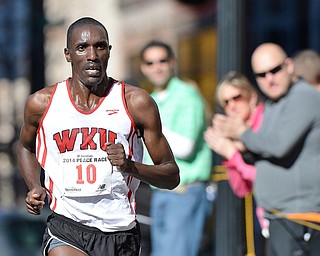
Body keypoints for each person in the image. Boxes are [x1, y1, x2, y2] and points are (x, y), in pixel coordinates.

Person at [16, 17, 180, 256]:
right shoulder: (42, 103)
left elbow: (171, 175)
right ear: (68, 54)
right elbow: (25, 147)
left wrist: (129, 166)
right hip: (67, 226)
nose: (92, 55)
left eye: (100, 46)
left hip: (120, 231)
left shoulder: (135, 102)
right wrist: (35, 186)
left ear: (109, 52)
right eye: (82, 48)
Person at [213, 42, 320, 255]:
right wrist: (237, 148)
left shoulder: (303, 96)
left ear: (289, 66)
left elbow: (278, 145)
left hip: (300, 217)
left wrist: (241, 135)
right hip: (280, 216)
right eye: (261, 75)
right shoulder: (274, 103)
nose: (269, 79)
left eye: (275, 70)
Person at [140, 40, 212, 256]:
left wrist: (150, 128)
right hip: (160, 193)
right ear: (143, 68)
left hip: (184, 192)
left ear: (173, 62)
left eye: (162, 61)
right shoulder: (150, 99)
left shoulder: (187, 95)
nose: (157, 67)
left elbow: (185, 147)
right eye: (150, 63)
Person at [204, 71, 266, 255]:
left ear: (252, 97)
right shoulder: (236, 133)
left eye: (236, 98)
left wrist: (233, 152)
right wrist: (229, 152)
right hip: (261, 211)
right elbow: (241, 189)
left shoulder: (265, 121)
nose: (231, 106)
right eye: (226, 102)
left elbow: (263, 177)